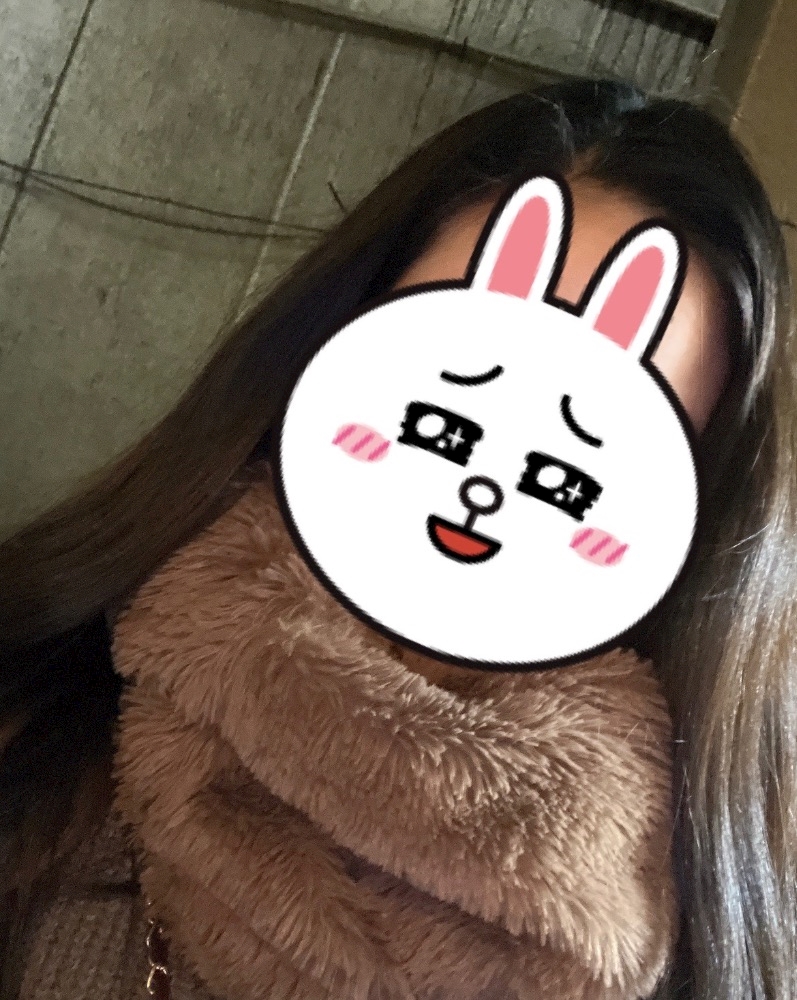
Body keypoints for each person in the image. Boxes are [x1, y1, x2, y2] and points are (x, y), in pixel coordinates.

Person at [1, 75, 795, 1000]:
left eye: (569, 478)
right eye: (443, 421)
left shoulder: (716, 940)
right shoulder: (39, 731)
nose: (489, 487)